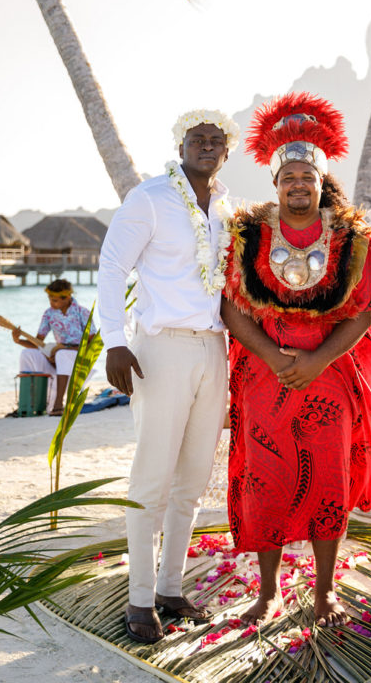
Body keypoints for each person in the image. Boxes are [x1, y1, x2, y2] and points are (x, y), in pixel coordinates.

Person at [222, 92, 371, 627]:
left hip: (328, 374)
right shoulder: (248, 235)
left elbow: (361, 312)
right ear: (275, 182)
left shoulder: (351, 238)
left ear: (319, 181)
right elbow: (232, 306)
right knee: (265, 478)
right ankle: (267, 592)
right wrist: (271, 356)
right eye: (288, 176)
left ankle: (325, 591)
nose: (297, 185)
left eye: (306, 178)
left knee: (328, 478)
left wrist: (315, 362)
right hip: (262, 375)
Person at [96, 108, 240, 645]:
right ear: (181, 146)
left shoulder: (228, 208)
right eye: (197, 138)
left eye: (216, 140)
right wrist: (115, 341)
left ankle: (171, 588)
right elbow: (112, 268)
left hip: (213, 349)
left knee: (194, 479)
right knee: (151, 479)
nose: (206, 146)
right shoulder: (150, 198)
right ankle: (138, 599)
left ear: (227, 152)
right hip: (160, 349)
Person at [13, 279, 94, 415]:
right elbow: (39, 342)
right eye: (50, 299)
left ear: (67, 297)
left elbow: (92, 344)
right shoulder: (49, 313)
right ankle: (26, 403)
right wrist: (18, 340)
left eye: (55, 300)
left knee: (61, 354)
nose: (51, 303)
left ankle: (58, 405)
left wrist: (62, 350)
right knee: (26, 353)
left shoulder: (82, 312)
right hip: (58, 355)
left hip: (79, 357)